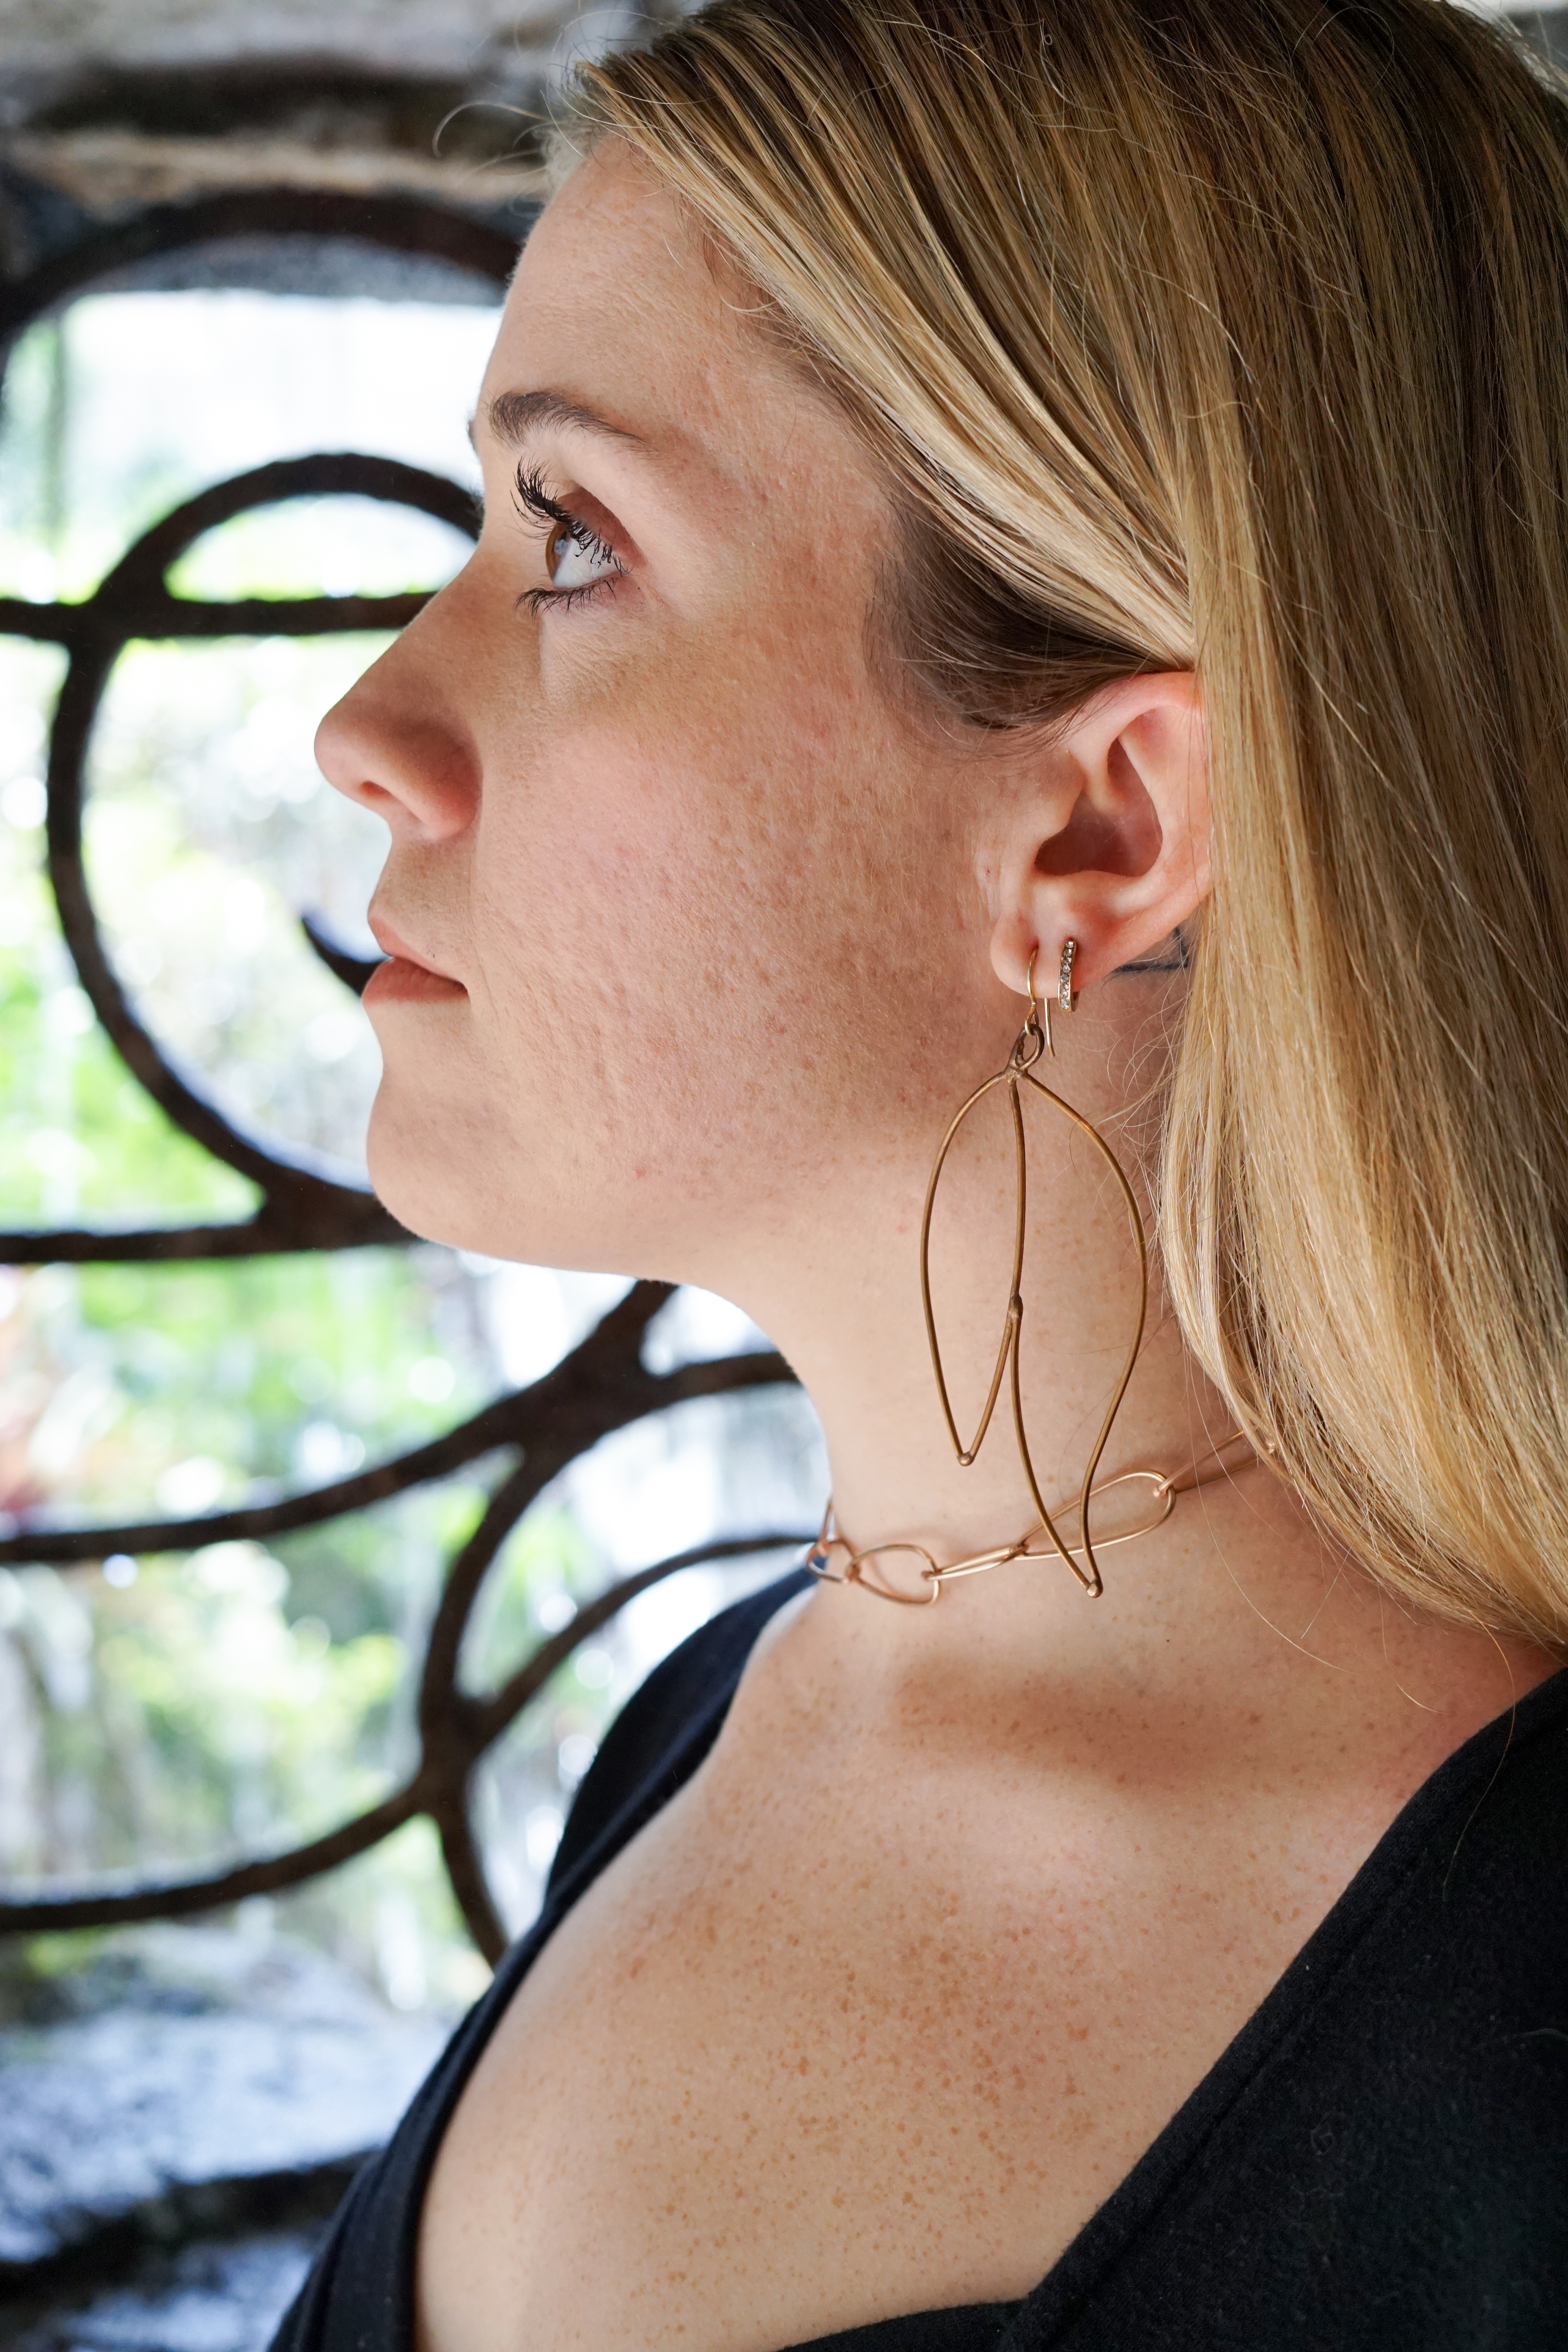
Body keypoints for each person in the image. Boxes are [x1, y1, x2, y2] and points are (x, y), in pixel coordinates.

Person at [280, 0, 1568, 2343]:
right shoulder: (712, 1718)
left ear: (1102, 824)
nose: (363, 727)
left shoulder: (1525, 2063)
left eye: (571, 536)